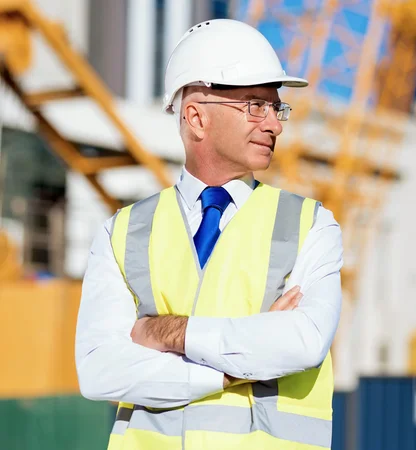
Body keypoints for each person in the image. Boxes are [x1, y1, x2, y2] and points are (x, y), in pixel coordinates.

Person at [75, 18, 343, 450]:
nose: (275, 124)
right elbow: (99, 370)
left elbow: (304, 342)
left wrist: (168, 334)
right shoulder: (120, 233)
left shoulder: (312, 225)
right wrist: (236, 366)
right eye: (256, 105)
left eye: (278, 108)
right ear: (196, 117)